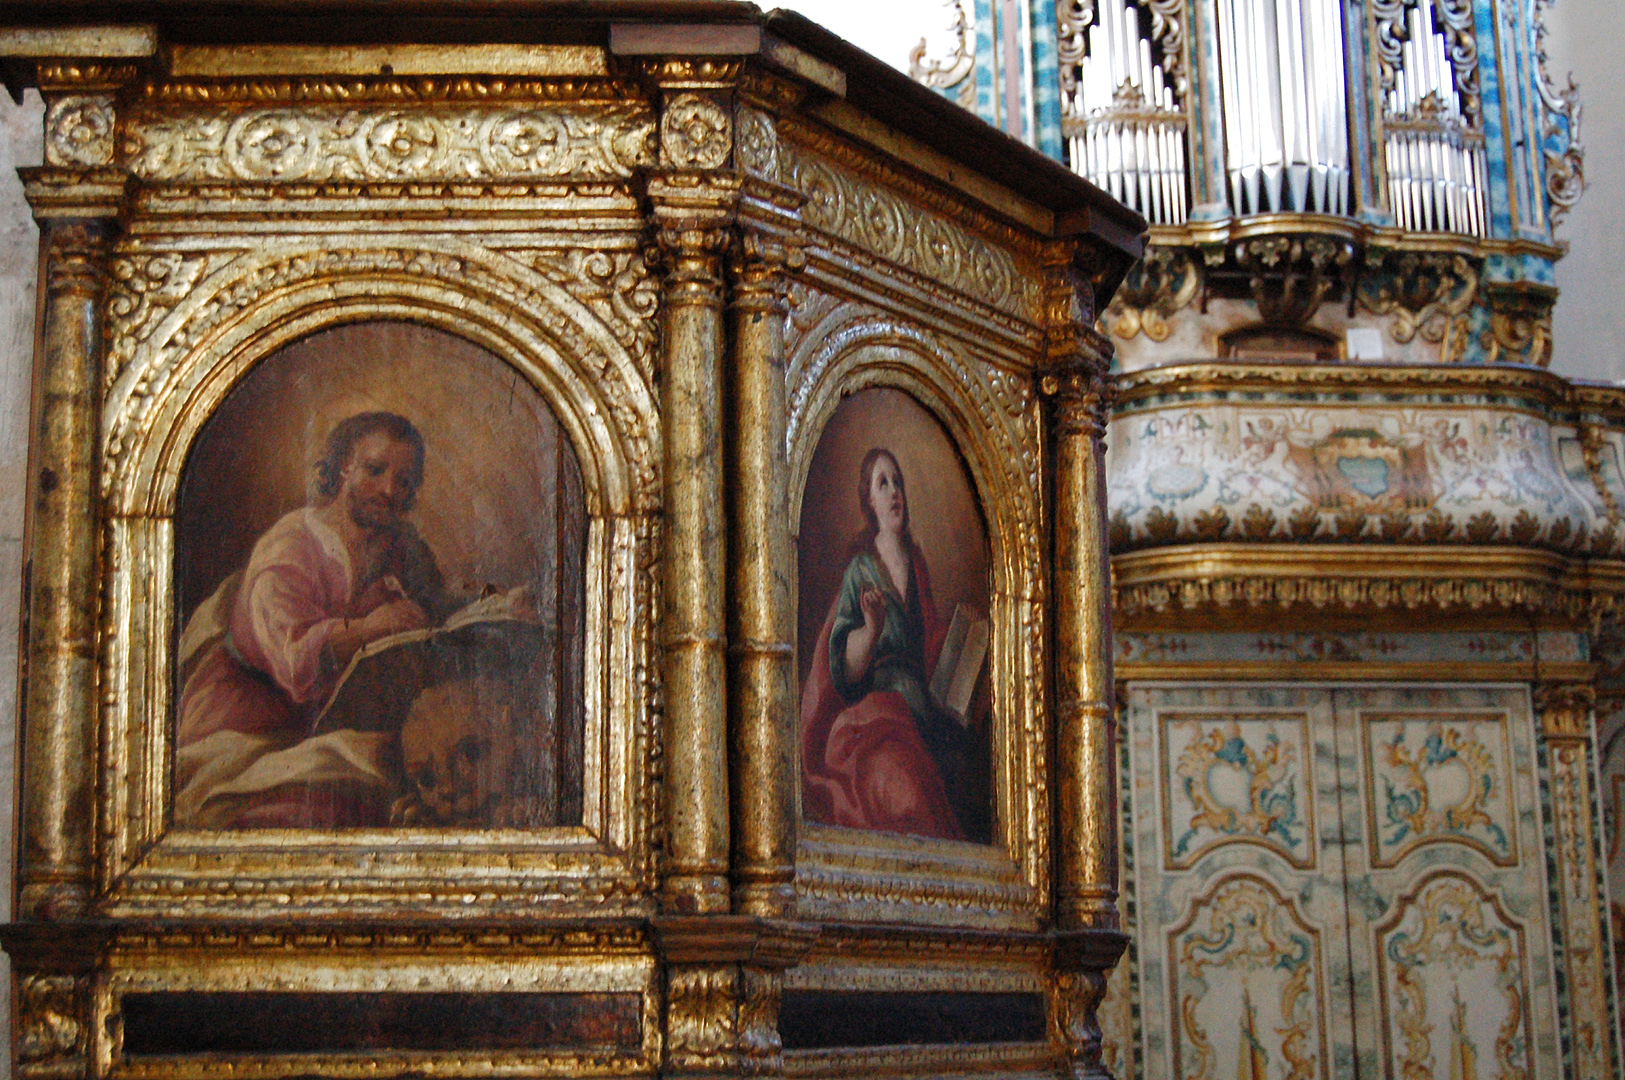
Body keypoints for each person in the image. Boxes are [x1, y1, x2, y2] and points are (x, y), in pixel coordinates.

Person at [174, 411, 453, 828]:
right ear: (343, 468)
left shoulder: (402, 546)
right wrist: (371, 627)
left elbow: (436, 609)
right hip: (252, 724)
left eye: (403, 481)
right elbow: (294, 663)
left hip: (331, 724)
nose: (388, 490)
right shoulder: (292, 545)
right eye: (375, 470)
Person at [799, 448, 984, 841]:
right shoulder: (861, 570)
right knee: (905, 791)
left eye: (897, 481)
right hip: (877, 715)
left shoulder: (915, 563)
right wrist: (871, 629)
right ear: (869, 499)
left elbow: (929, 643)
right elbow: (846, 672)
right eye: (883, 483)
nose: (895, 491)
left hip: (921, 711)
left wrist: (962, 640)